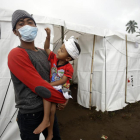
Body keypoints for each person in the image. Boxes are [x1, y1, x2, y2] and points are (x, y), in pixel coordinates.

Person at [8, 9, 68, 140]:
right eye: (21, 24)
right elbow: (39, 86)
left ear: (36, 27)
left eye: (30, 22)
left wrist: (63, 92)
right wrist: (62, 99)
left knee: (54, 137)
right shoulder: (16, 54)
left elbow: (55, 76)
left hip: (49, 109)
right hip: (30, 114)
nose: (27, 26)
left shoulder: (42, 52)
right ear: (15, 31)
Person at [33, 28, 81, 140]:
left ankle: (46, 123)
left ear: (68, 58)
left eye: (62, 51)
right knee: (52, 111)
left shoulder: (69, 67)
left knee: (47, 95)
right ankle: (50, 132)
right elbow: (46, 48)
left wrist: (49, 84)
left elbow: (64, 80)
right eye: (60, 48)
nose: (58, 51)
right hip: (54, 87)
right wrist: (48, 36)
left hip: (62, 89)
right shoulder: (54, 58)